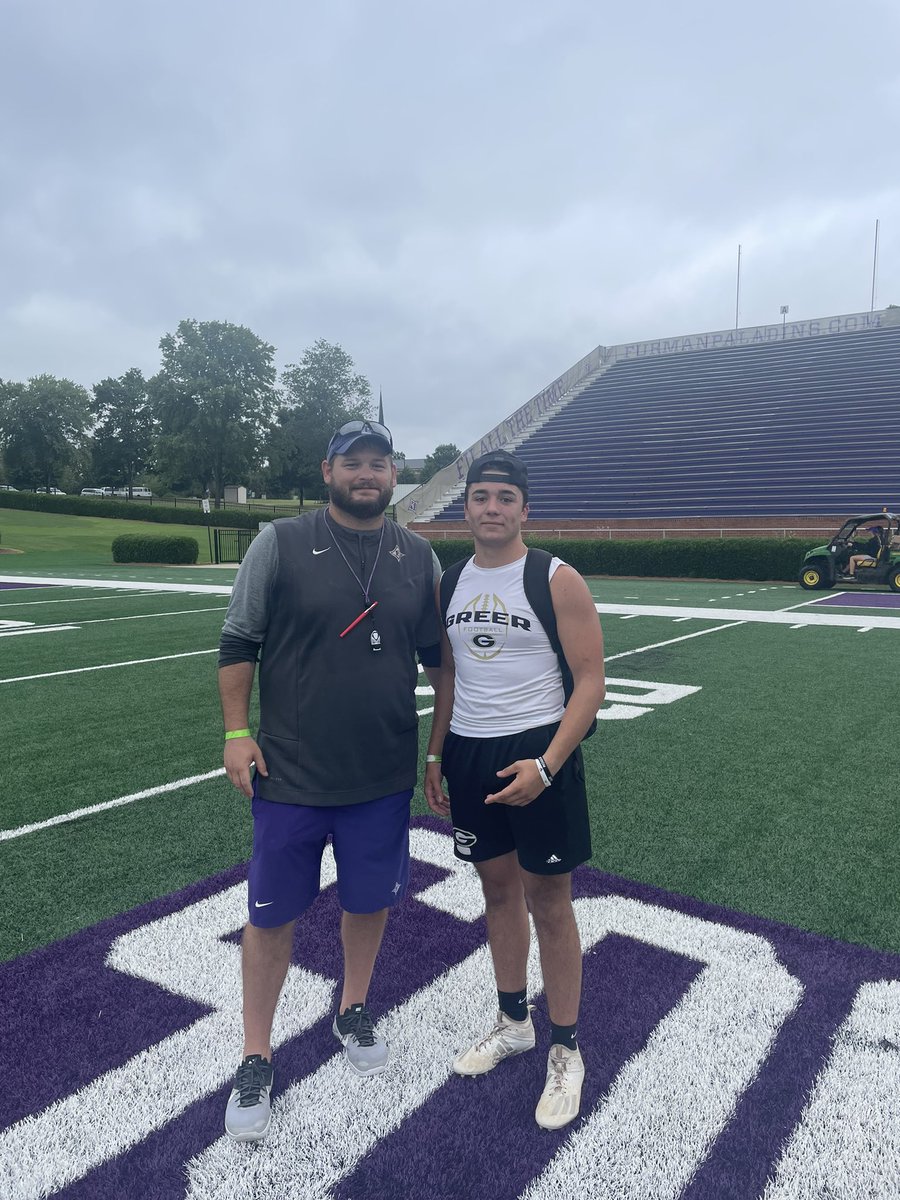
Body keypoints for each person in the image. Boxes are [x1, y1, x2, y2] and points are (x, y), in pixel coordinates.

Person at [218, 419, 442, 1142]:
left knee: (367, 901)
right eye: (355, 464)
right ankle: (257, 1051)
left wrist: (437, 751)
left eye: (380, 463)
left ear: (393, 474)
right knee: (271, 914)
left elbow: (440, 663)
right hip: (290, 770)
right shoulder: (279, 542)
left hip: (380, 772)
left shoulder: (419, 555)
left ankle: (353, 1006)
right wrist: (235, 731)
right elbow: (238, 639)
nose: (368, 474)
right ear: (327, 471)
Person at [424, 450, 606, 1131]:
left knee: (550, 902)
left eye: (505, 498)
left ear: (525, 509)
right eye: (481, 497)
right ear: (465, 507)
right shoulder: (449, 584)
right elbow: (447, 680)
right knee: (496, 892)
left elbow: (590, 682)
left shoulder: (555, 578)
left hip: (539, 753)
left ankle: (565, 1046)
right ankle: (512, 1022)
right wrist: (437, 753)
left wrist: (549, 765)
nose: (492, 508)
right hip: (470, 753)